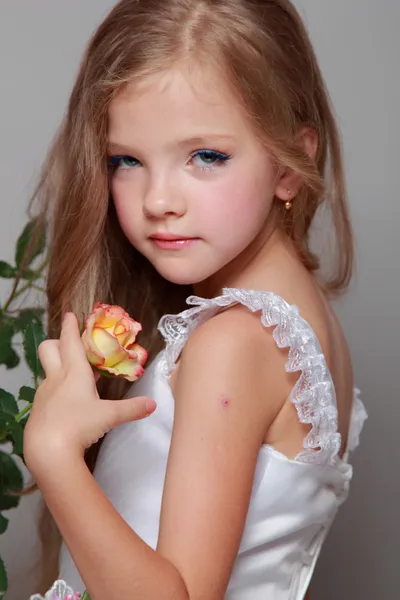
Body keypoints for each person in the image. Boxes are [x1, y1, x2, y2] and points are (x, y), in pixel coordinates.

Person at [23, 1, 367, 598]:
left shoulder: (234, 343)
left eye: (206, 156)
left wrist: (54, 456)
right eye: (125, 160)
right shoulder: (292, 324)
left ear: (292, 163)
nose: (158, 199)